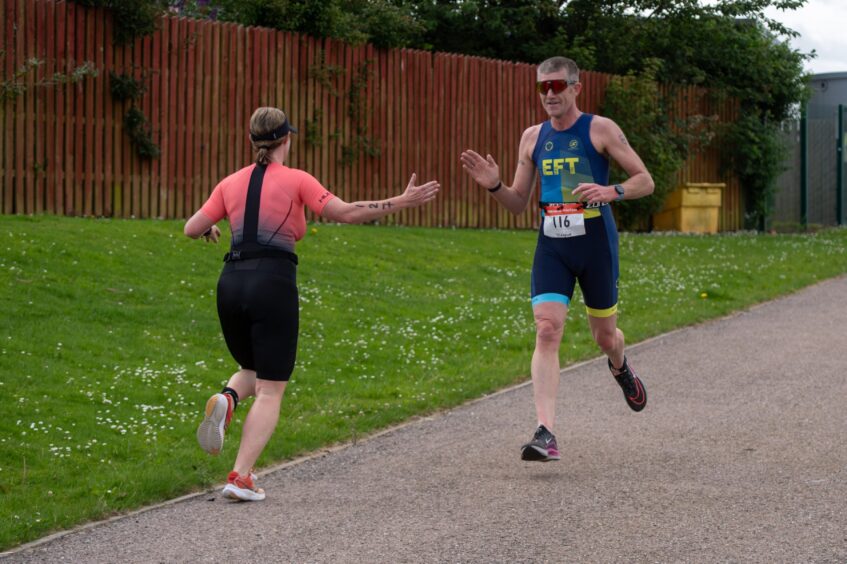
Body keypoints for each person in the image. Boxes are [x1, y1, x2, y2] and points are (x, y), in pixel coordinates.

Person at [185, 107, 439, 500]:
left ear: (252, 141)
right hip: (272, 282)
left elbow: (191, 228)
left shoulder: (230, 183)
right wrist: (401, 202)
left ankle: (228, 398)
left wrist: (211, 227)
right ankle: (240, 476)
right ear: (286, 140)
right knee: (271, 389)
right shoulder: (297, 179)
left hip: (230, 284)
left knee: (251, 368)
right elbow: (348, 213)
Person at [460, 56, 654, 462]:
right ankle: (545, 432)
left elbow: (645, 180)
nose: (549, 94)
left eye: (557, 86)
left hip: (595, 242)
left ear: (575, 88)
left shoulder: (600, 129)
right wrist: (494, 185)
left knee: (605, 337)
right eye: (542, 87)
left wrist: (612, 191)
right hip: (552, 242)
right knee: (547, 329)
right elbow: (516, 203)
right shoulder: (532, 137)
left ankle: (619, 364)